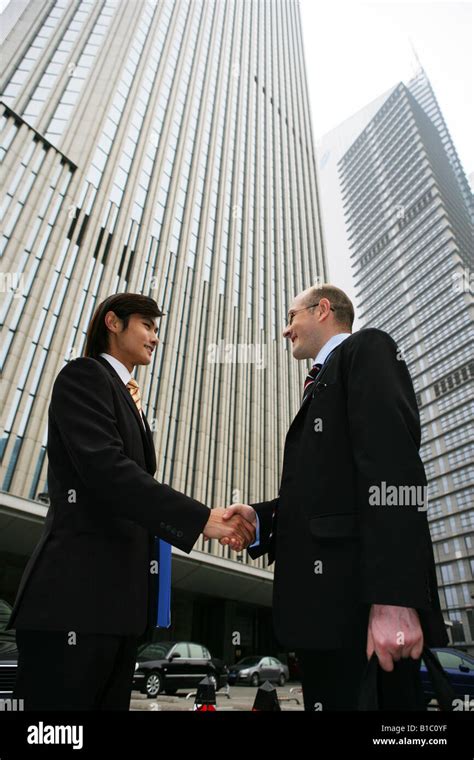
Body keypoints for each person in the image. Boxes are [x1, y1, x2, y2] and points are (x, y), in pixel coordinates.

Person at [8, 293, 255, 710]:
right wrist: (202, 520)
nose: (155, 337)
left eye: (157, 328)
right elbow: (108, 471)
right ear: (113, 322)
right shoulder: (84, 376)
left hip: (118, 612)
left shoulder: (129, 397)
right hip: (75, 604)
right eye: (147, 325)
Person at [222, 284, 447, 710]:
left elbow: (393, 473)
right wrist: (260, 518)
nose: (286, 330)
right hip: (325, 622)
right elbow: (322, 498)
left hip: (363, 617)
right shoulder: (320, 383)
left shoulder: (367, 350)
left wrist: (395, 600)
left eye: (291, 317)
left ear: (322, 310)